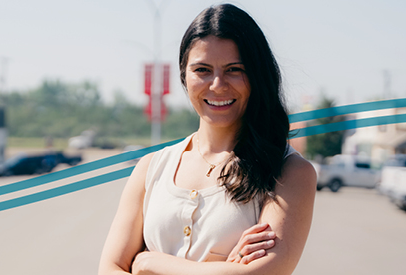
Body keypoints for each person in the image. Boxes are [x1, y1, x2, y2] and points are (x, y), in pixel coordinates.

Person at [98, 4, 316, 275]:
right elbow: (109, 268)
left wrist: (150, 262)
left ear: (258, 75)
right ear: (183, 76)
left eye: (234, 69)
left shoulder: (288, 172)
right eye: (202, 70)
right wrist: (224, 269)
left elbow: (264, 272)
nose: (217, 84)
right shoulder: (151, 167)